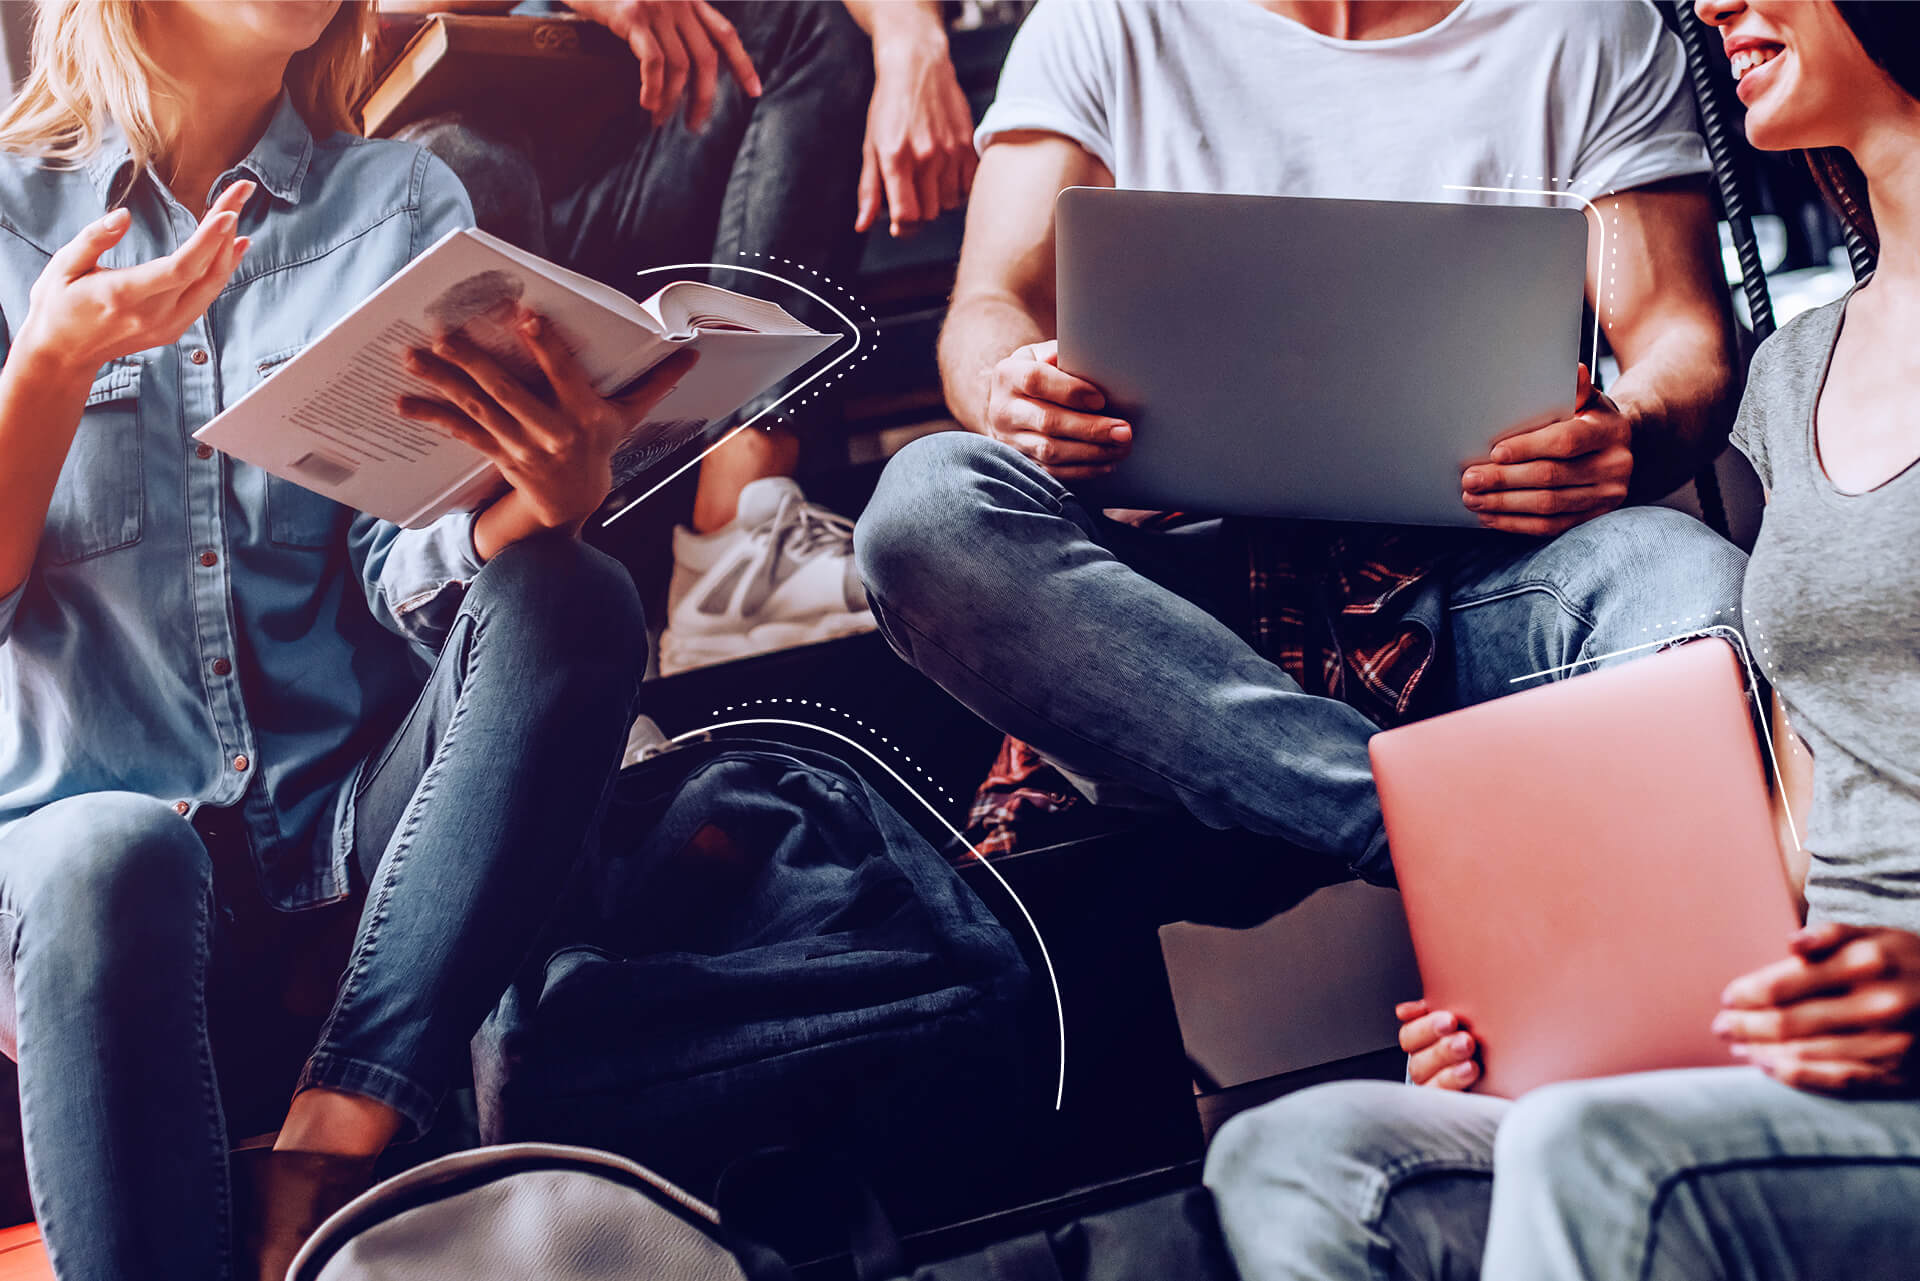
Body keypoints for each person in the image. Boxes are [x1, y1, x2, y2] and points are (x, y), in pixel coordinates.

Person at [1203, 2, 1920, 1277]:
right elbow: (1806, 797)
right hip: (1789, 1034)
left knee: (1594, 1153)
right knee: (1296, 1154)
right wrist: (1560, 1010)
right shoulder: (1797, 368)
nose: (1711, 5)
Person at [0, 2, 692, 1277]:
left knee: (571, 593)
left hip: (341, 853)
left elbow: (402, 572)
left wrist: (538, 505)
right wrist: (49, 356)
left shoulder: (397, 203)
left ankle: (334, 1142)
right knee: (112, 850)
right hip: (81, 870)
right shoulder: (4, 215)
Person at [854, 0, 1748, 877]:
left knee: (1683, 578)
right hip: (1174, 617)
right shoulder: (1104, 20)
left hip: (1476, 583)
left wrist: (1631, 427)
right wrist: (1010, 388)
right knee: (928, 507)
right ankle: (1435, 831)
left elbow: (1684, 340)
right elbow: (989, 306)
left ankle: (1397, 820)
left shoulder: (1584, 28)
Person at [392, 0, 979, 674]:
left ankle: (739, 539)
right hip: (469, 182)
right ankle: (528, 635)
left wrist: (912, 39)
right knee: (461, 154)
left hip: (649, 171)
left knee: (809, 19)